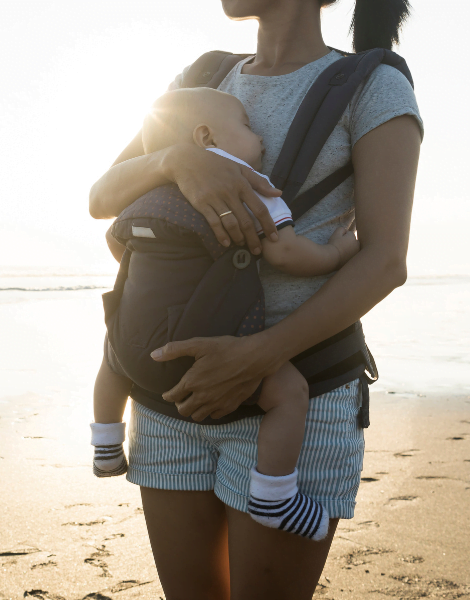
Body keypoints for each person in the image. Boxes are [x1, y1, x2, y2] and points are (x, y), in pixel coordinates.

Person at [87, 0, 422, 597]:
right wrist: (176, 160)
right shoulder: (202, 77)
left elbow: (384, 260)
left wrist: (258, 356)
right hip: (173, 396)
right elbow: (102, 196)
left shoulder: (373, 84)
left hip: (297, 396)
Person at [90, 87, 361, 543]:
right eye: (248, 127)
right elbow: (286, 253)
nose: (260, 139)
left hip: (140, 353)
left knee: (113, 357)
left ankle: (105, 445)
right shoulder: (248, 182)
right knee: (289, 392)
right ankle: (274, 493)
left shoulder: (143, 190)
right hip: (202, 351)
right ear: (206, 136)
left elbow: (118, 243)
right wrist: (336, 252)